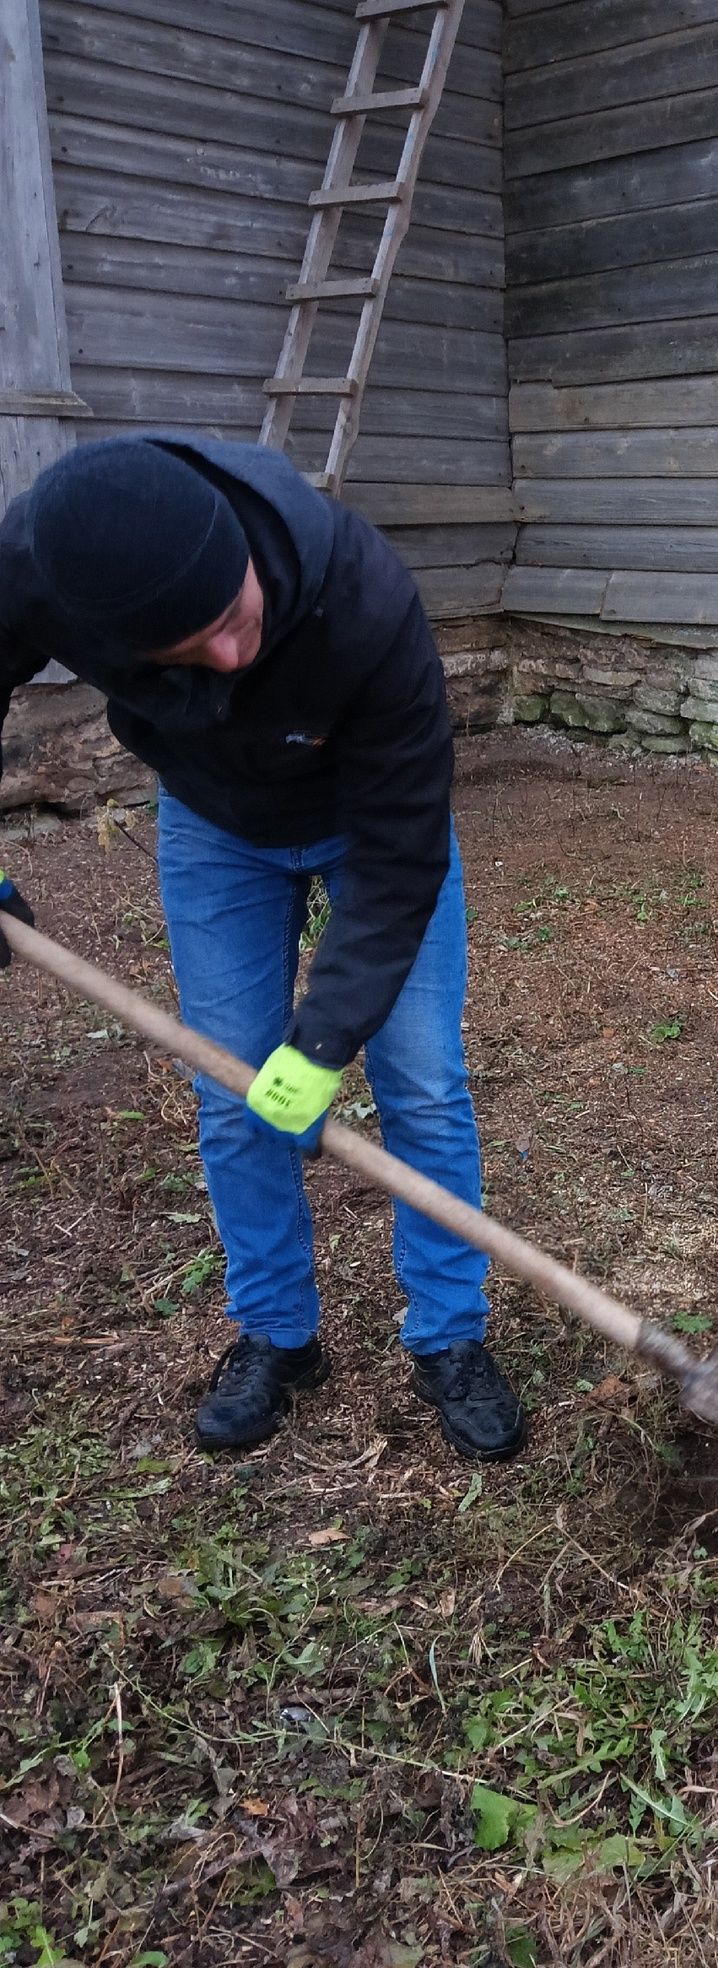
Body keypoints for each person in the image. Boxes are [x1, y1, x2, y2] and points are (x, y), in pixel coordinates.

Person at [0, 433, 525, 1463]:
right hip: (212, 826)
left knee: (421, 1079)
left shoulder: (364, 600)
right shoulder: (43, 563)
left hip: (368, 829)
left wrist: (325, 1042)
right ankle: (278, 1336)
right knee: (233, 1090)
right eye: (189, 649)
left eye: (236, 620)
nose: (233, 658)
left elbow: (403, 860)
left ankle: (450, 1336)